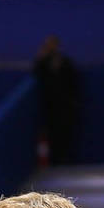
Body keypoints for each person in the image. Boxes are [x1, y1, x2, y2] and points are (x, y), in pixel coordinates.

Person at [33, 36, 81, 166]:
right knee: (50, 134)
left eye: (53, 44)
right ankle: (52, 161)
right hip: (49, 106)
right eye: (48, 45)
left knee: (65, 134)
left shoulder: (65, 62)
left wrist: (73, 102)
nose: (51, 47)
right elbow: (36, 74)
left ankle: (65, 160)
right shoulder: (42, 62)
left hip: (65, 106)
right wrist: (40, 58)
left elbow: (73, 82)